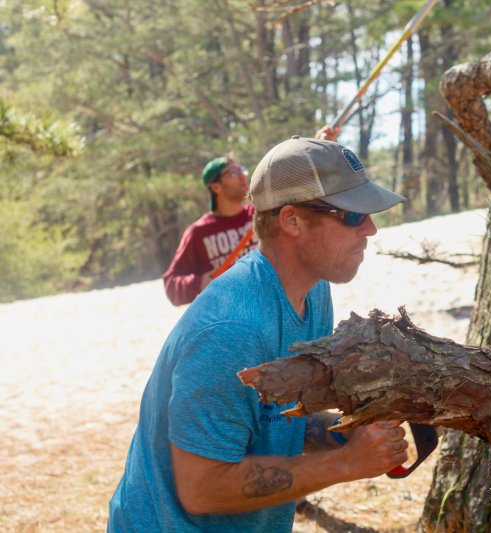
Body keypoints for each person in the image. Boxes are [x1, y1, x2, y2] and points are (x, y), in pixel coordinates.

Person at [108, 135, 408, 532]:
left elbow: (272, 420)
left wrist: (348, 433)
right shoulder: (233, 330)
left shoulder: (313, 292)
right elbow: (201, 488)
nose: (369, 228)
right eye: (352, 215)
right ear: (292, 221)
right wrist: (346, 463)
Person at [162, 154, 257, 306]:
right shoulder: (199, 232)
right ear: (215, 186)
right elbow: (171, 285)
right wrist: (200, 283)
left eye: (241, 170)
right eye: (232, 173)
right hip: (231, 318)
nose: (242, 176)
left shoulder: (259, 214)